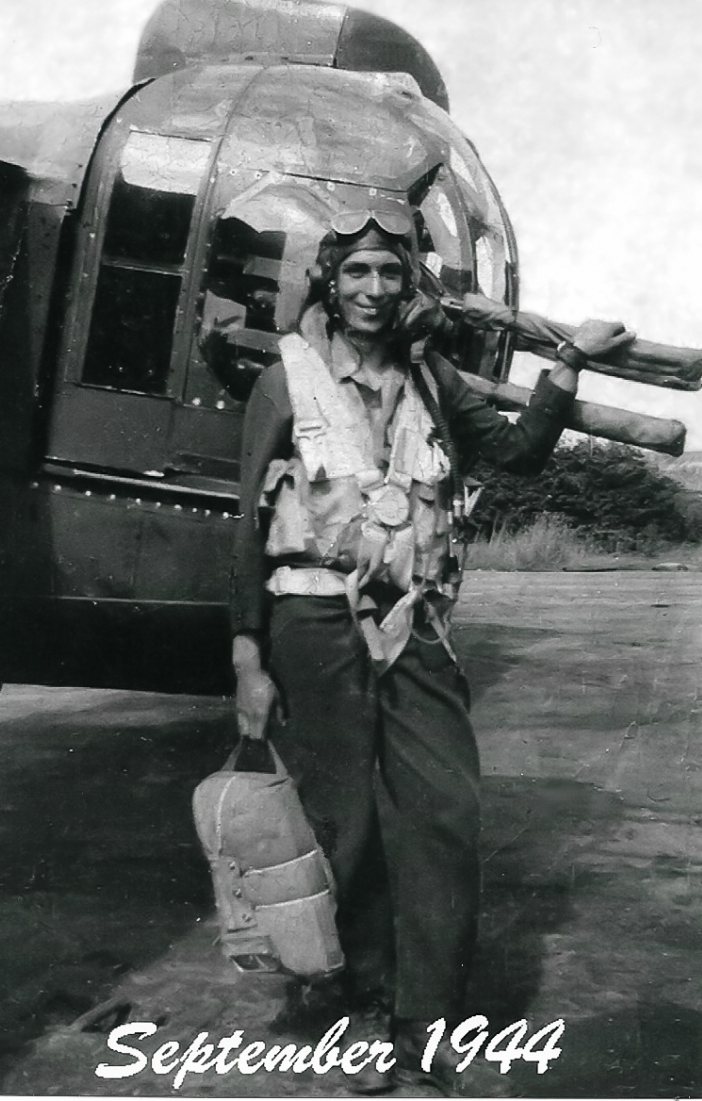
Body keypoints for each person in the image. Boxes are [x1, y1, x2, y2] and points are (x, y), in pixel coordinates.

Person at [228, 204, 633, 1095]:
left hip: (416, 622)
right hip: (310, 624)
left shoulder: (434, 380)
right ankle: (366, 1011)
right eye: (358, 272)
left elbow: (523, 453)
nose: (374, 289)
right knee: (347, 823)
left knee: (446, 813)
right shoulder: (283, 382)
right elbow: (247, 529)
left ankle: (428, 1020)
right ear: (330, 283)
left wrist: (564, 363)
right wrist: (248, 656)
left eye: (390, 273)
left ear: (410, 286)